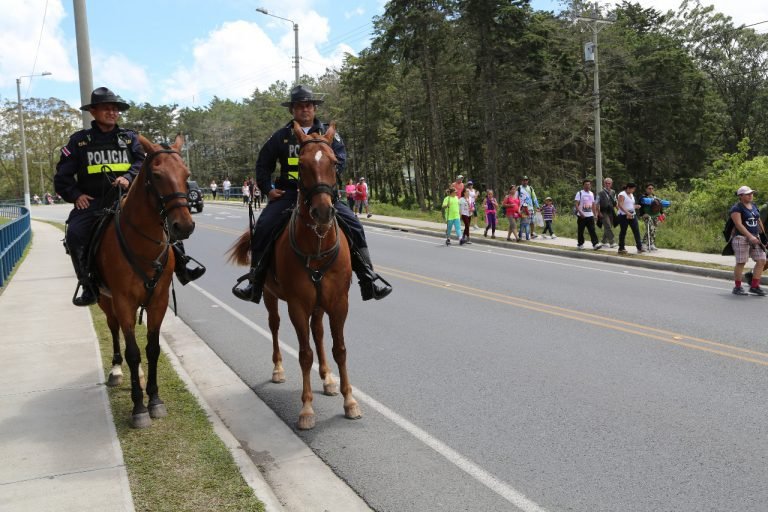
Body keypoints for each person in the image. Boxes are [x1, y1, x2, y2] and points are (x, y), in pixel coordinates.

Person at [232, 84, 391, 303]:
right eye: (299, 106)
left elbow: (340, 159)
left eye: (308, 105)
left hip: (323, 193)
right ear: (292, 110)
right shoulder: (280, 137)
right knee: (264, 226)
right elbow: (263, 165)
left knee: (354, 225)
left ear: (314, 108)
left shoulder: (329, 135)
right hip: (288, 193)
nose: (304, 110)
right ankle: (255, 281)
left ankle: (367, 278)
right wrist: (268, 189)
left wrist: (324, 179)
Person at [54, 87, 203, 306]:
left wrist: (129, 177)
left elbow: (145, 162)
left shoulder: (130, 138)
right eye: (106, 109)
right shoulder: (79, 141)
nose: (112, 113)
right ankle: (87, 283)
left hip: (129, 198)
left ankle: (182, 266)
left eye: (115, 109)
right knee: (75, 233)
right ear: (93, 112)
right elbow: (62, 176)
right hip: (94, 202)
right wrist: (76, 195)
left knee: (167, 222)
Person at [728, 186, 766, 296]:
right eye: (747, 194)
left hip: (755, 237)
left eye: (751, 193)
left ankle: (754, 286)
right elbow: (738, 225)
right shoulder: (736, 208)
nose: (750, 195)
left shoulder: (753, 206)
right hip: (741, 237)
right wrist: (750, 236)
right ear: (740, 196)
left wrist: (763, 236)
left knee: (762, 260)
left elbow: (758, 221)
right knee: (741, 262)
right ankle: (738, 287)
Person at [574, 179, 602, 250]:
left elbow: (593, 205)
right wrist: (580, 212)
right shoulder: (580, 193)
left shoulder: (591, 193)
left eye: (589, 184)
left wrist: (595, 215)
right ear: (583, 185)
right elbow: (576, 204)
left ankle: (595, 244)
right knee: (581, 230)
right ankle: (580, 244)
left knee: (592, 230)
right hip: (581, 216)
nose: (588, 186)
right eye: (586, 184)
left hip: (590, 215)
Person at [616, 182, 644, 255]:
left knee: (636, 230)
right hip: (623, 215)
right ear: (628, 188)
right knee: (623, 231)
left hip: (632, 214)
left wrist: (635, 206)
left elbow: (630, 205)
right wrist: (627, 212)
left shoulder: (631, 194)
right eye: (633, 189)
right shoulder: (622, 194)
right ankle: (621, 248)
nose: (633, 191)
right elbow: (620, 205)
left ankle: (639, 247)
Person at [640, 183, 664, 251]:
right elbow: (640, 207)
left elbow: (659, 205)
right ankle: (643, 243)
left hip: (655, 215)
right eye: (649, 188)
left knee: (654, 230)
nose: (651, 190)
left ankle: (651, 244)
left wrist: (662, 213)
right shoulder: (643, 197)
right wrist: (643, 214)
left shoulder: (655, 197)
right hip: (647, 215)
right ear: (646, 189)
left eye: (652, 188)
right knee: (649, 228)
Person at [597, 177, 617, 247]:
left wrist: (618, 210)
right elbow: (596, 203)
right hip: (603, 211)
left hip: (611, 211)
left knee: (608, 226)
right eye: (606, 183)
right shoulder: (600, 193)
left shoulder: (613, 192)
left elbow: (615, 202)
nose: (607, 184)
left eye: (609, 183)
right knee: (608, 226)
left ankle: (603, 241)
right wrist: (598, 213)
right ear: (604, 184)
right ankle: (612, 242)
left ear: (611, 184)